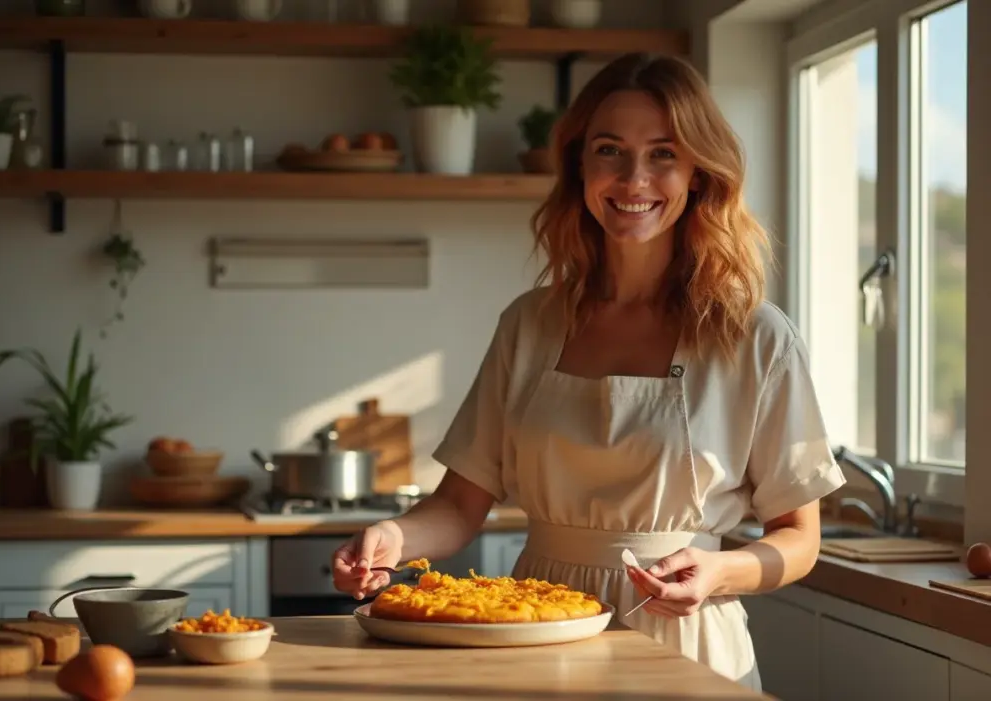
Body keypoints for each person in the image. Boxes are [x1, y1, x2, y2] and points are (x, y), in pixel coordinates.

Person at [331, 52, 846, 690]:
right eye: (609, 150)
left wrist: (721, 572)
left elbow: (798, 537)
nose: (634, 179)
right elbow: (460, 505)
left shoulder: (753, 335)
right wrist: (392, 537)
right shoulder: (530, 323)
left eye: (663, 153)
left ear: (698, 173)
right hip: (534, 629)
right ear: (580, 166)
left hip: (685, 641)